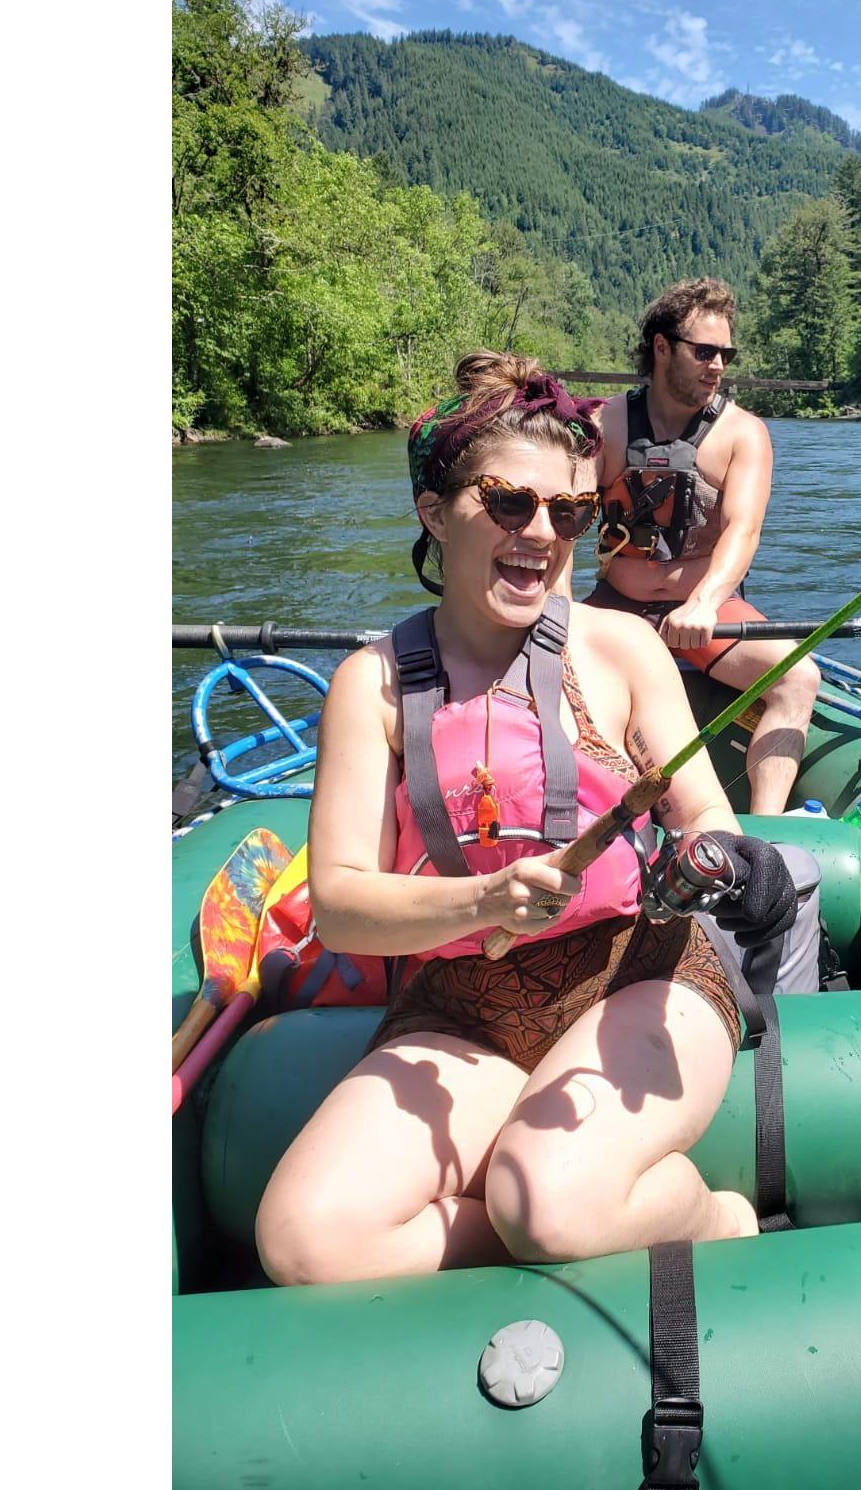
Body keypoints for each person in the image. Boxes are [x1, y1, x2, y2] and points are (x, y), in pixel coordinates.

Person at [255, 352, 798, 1286]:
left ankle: (720, 1216)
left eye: (572, 514)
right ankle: (551, 1202)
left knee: (549, 1202)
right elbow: (340, 906)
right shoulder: (371, 685)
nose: (542, 536)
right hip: (461, 1009)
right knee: (307, 1240)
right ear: (435, 512)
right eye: (510, 503)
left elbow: (703, 805)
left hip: (638, 974)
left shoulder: (622, 648)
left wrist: (722, 856)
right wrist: (486, 898)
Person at [584, 278, 819, 815]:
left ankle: (766, 833)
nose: (718, 365)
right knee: (560, 682)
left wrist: (706, 601)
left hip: (703, 616)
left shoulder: (743, 434)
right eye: (704, 351)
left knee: (798, 678)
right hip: (616, 609)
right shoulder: (604, 425)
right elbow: (565, 518)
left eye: (725, 354)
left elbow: (743, 530)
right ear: (662, 347)